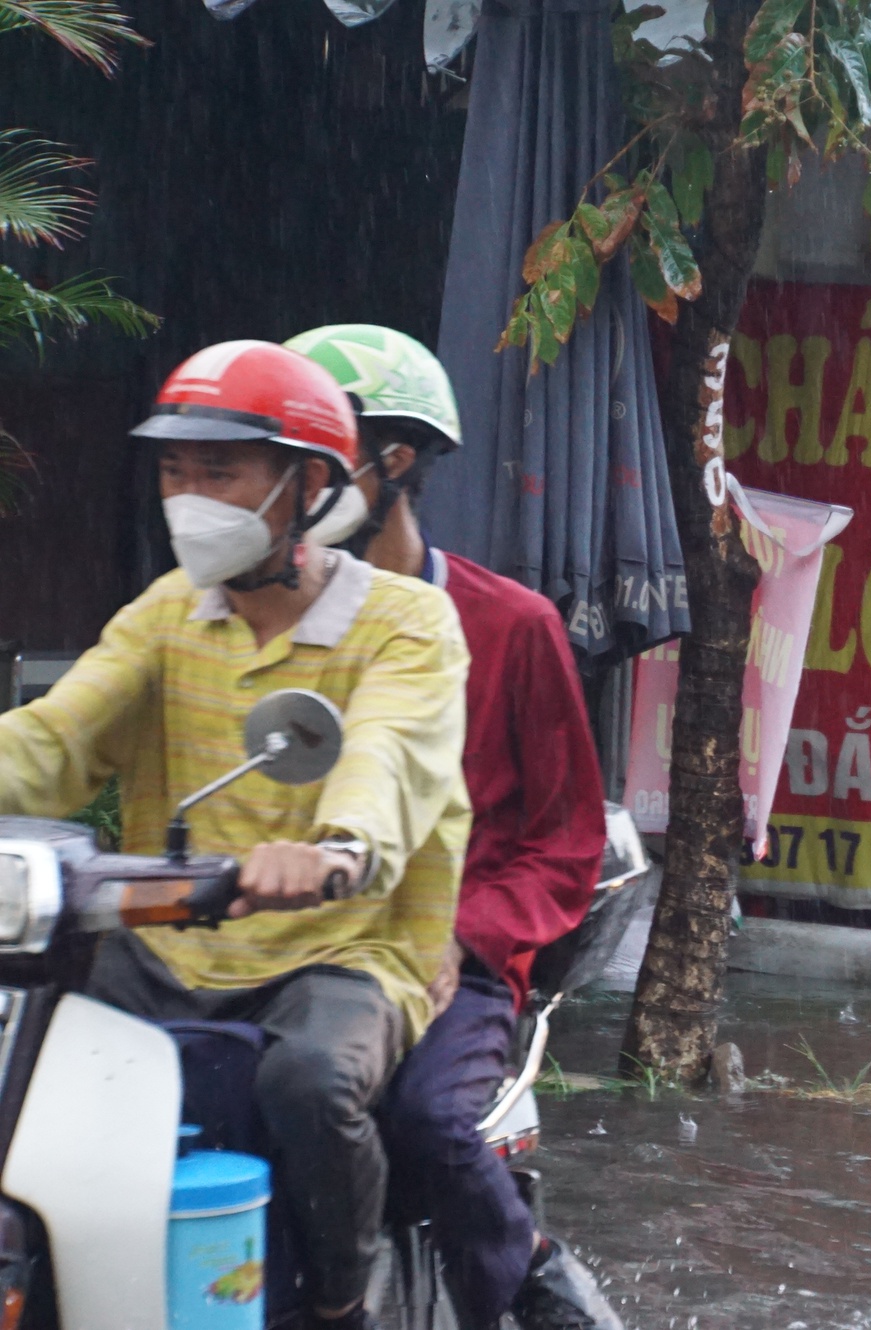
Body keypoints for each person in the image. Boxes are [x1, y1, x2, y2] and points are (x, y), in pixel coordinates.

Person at [0, 340, 472, 1328]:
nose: (189, 495)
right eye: (175, 469)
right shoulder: (171, 612)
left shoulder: (409, 624)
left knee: (308, 1081)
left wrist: (336, 844)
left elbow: (384, 754)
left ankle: (341, 1302)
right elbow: (58, 733)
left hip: (345, 947)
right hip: (165, 937)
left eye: (219, 469)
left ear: (306, 484)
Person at [285, 324, 620, 1330]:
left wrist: (458, 931)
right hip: (296, 940)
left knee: (428, 1122)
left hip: (456, 957)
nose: (280, 491)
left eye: (307, 464)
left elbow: (564, 840)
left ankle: (531, 1285)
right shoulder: (257, 622)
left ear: (392, 465)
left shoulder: (513, 626)